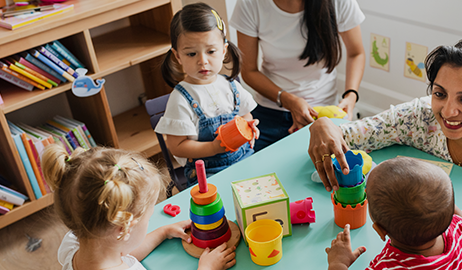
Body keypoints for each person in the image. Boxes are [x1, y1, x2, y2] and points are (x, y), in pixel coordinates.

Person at [309, 37, 462, 270]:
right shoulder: (420, 117)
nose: (448, 111)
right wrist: (323, 125)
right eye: (440, 93)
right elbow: (353, 134)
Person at [41, 144, 237, 270]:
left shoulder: (73, 244)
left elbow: (121, 253)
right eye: (149, 217)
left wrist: (162, 232)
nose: (150, 221)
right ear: (123, 229)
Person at [230, 0, 366, 152]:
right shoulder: (250, 4)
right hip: (270, 112)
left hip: (323, 112)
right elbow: (249, 71)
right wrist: (288, 100)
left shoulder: (339, 3)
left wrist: (351, 96)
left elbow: (356, 53)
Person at [156, 3, 259, 186]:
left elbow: (244, 114)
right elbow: (176, 146)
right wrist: (213, 148)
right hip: (207, 172)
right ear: (178, 56)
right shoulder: (181, 99)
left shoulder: (230, 85)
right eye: (191, 54)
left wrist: (248, 126)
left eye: (211, 51)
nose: (202, 61)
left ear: (224, 51)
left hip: (244, 158)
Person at [326, 157, 462, 270]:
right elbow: (458, 217)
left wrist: (339, 263)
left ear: (380, 231)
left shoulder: (387, 266)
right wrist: (437, 199)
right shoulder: (460, 230)